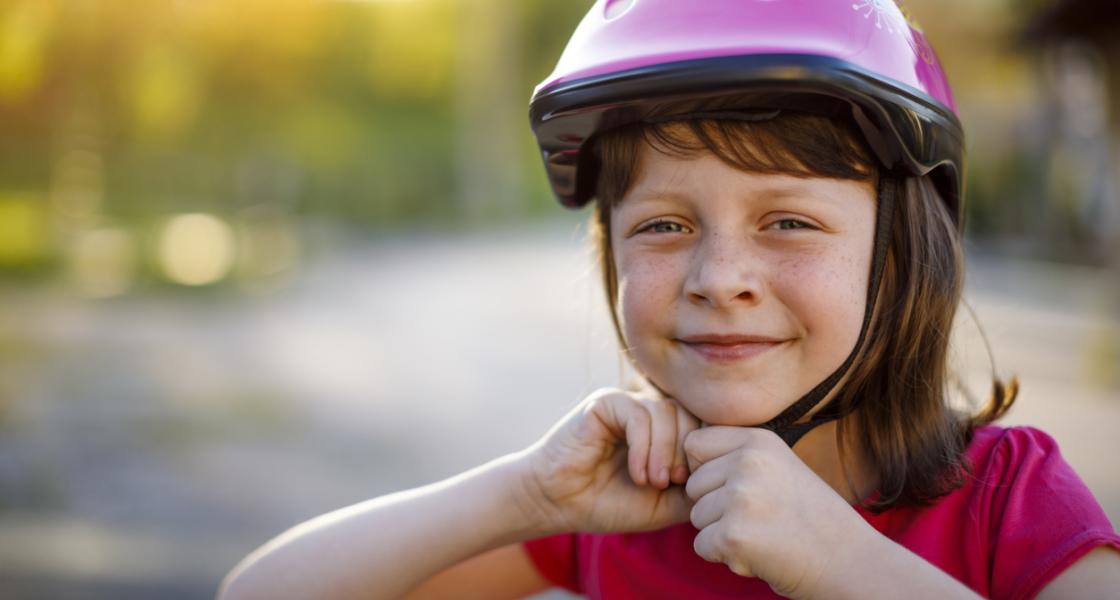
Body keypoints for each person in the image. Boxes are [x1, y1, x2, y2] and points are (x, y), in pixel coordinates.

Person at [219, 1, 1120, 598]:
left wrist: (845, 562)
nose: (717, 277)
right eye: (662, 227)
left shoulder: (1009, 502)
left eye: (790, 223)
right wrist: (528, 494)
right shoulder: (622, 511)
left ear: (904, 253)